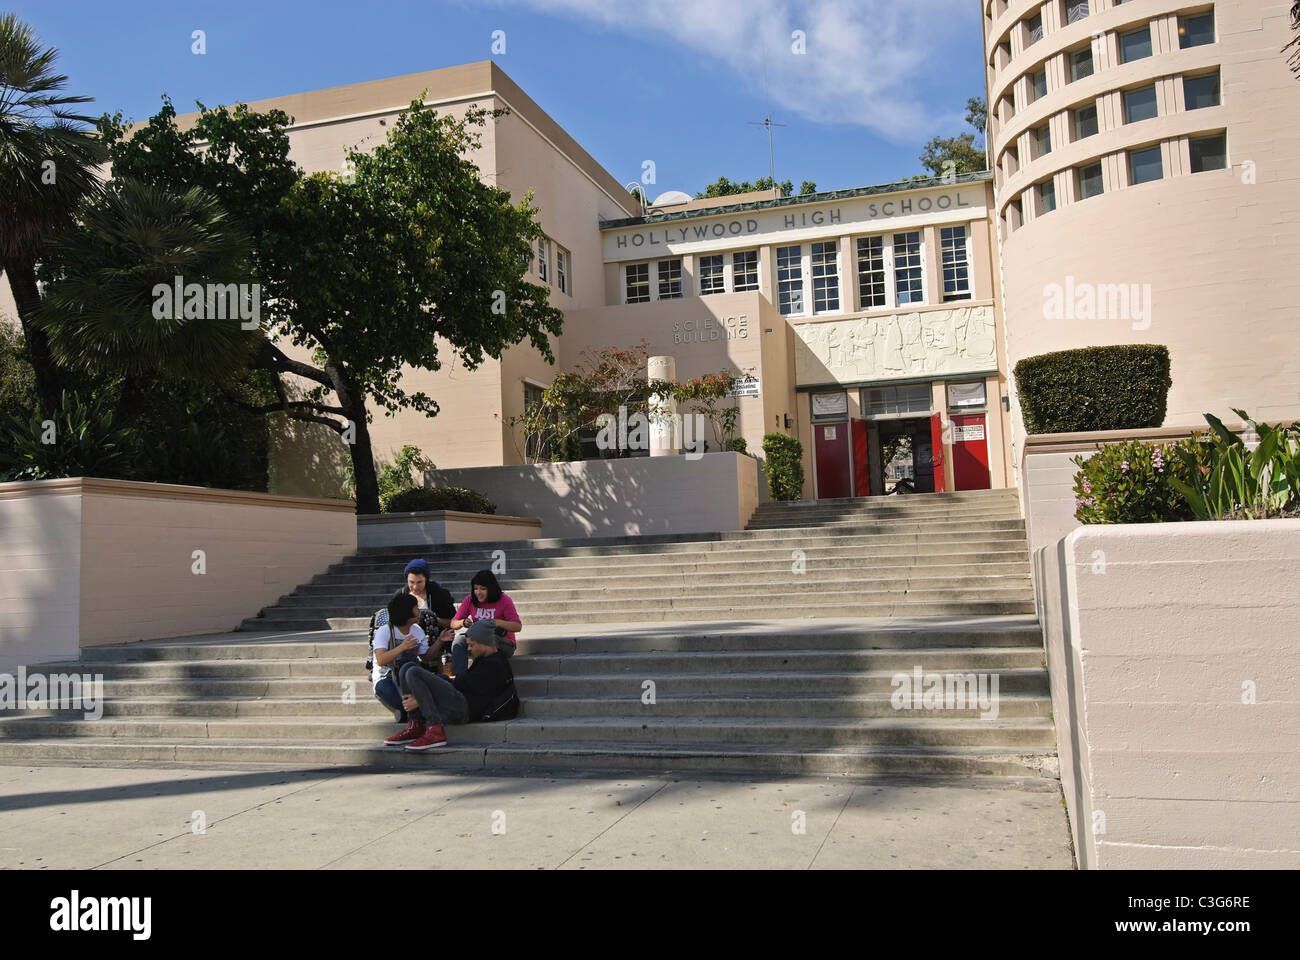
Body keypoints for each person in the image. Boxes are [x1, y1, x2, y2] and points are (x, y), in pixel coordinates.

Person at [385, 620, 514, 751]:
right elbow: (460, 683)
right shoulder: (484, 658)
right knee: (407, 667)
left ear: (485, 642)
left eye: (471, 645)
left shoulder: (495, 665)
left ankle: (435, 728)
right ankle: (415, 724)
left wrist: (420, 699)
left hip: (464, 709)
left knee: (414, 672)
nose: (468, 649)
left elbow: (462, 687)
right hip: (459, 699)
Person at [370, 593, 431, 724]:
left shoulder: (417, 630)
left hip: (409, 677)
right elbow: (381, 659)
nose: (419, 610)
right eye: (415, 607)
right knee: (389, 692)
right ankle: (407, 711)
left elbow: (425, 657)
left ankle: (406, 713)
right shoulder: (385, 631)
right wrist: (402, 647)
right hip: (387, 678)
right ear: (407, 613)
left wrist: (440, 641)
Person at [448, 569, 522, 677]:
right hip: (477, 641)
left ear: (491, 589)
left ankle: (484, 676)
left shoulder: (504, 600)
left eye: (483, 589)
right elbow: (453, 624)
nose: (478, 592)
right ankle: (461, 678)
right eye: (476, 588)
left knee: (488, 641)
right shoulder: (470, 600)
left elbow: (517, 626)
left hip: (502, 643)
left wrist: (497, 622)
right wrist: (463, 622)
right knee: (459, 641)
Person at [401, 558, 456, 637]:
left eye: (419, 582)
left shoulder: (440, 595)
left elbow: (453, 622)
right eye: (412, 582)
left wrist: (434, 619)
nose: (415, 587)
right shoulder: (401, 595)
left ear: (426, 579)